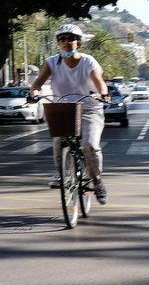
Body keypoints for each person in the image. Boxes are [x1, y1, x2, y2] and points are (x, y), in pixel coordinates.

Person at [29, 23, 110, 204]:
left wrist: (103, 94)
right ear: (58, 43)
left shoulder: (88, 61)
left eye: (71, 39)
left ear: (78, 43)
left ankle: (97, 182)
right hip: (64, 109)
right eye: (62, 39)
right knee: (59, 138)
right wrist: (34, 93)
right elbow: (37, 84)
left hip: (90, 109)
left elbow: (99, 82)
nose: (67, 42)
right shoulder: (52, 62)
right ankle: (59, 173)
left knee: (89, 145)